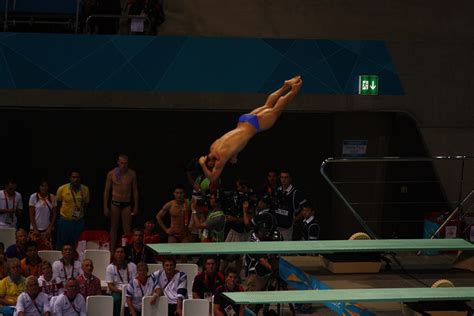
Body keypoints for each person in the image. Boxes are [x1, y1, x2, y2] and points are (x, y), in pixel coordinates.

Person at [198, 76, 302, 182]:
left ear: (209, 163)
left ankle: (294, 88)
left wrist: (202, 165)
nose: (214, 166)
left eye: (211, 166)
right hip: (243, 120)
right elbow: (234, 144)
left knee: (278, 108)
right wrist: (234, 156)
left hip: (254, 126)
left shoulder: (221, 158)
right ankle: (286, 85)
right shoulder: (213, 147)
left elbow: (212, 178)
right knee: (268, 105)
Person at [104, 154, 139, 250]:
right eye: (122, 163)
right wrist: (105, 207)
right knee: (113, 228)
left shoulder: (132, 174)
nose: (123, 165)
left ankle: (127, 250)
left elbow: (135, 190)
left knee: (127, 229)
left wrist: (136, 206)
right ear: (118, 162)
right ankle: (111, 251)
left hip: (127, 203)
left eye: (125, 163)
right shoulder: (111, 174)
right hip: (115, 202)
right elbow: (107, 191)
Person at [56, 170, 90, 249]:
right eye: (73, 177)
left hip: (78, 221)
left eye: (78, 177)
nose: (76, 179)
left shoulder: (85, 189)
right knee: (63, 244)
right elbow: (58, 204)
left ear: (80, 178)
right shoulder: (62, 188)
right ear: (70, 178)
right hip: (65, 221)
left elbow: (86, 204)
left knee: (78, 244)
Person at [274, 170, 306, 241]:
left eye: (286, 177)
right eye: (282, 177)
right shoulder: (277, 190)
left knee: (285, 250)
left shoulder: (296, 193)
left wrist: (294, 220)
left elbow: (305, 209)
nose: (283, 180)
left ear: (290, 179)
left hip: (287, 229)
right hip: (276, 227)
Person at [106, 246, 137, 316]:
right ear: (114, 254)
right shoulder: (110, 267)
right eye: (117, 252)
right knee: (116, 300)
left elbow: (135, 282)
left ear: (125, 254)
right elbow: (110, 286)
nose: (119, 254)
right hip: (117, 291)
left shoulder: (132, 266)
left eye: (121, 252)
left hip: (131, 291)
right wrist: (122, 291)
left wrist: (128, 292)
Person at [28, 179, 58, 250]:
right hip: (34, 229)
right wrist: (35, 229)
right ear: (39, 187)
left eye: (46, 186)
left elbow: (54, 215)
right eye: (42, 186)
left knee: (47, 250)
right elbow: (31, 214)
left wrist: (49, 228)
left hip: (47, 230)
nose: (44, 188)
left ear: (48, 187)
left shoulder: (52, 197)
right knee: (33, 250)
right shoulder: (33, 197)